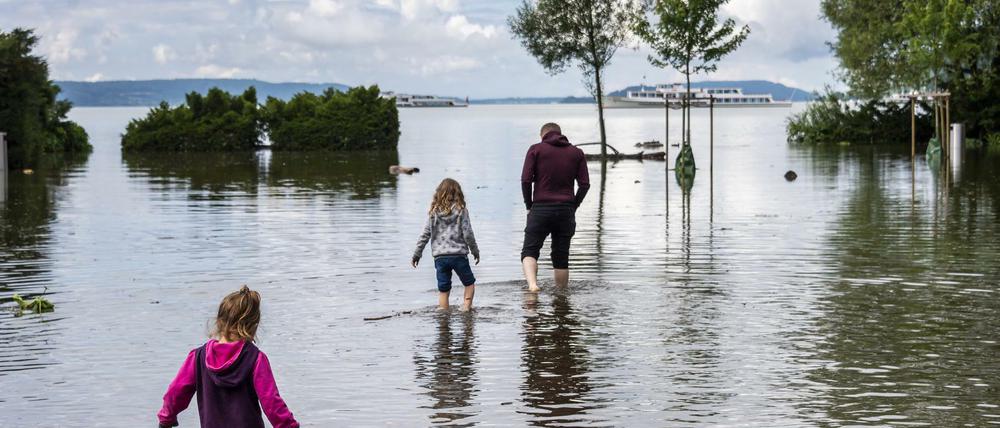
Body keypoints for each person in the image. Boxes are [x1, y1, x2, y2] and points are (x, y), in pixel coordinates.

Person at [157, 285, 298, 428]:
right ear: (253, 326)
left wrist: (166, 418)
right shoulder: (256, 359)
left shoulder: (198, 357)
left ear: (219, 321)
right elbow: (272, 403)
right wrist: (289, 425)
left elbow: (175, 393)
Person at [520, 123, 590, 292]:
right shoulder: (576, 153)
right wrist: (573, 205)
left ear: (542, 135)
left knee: (529, 251)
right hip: (566, 210)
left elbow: (526, 180)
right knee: (561, 257)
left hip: (540, 209)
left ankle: (533, 285)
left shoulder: (536, 149)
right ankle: (561, 296)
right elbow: (585, 185)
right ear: (560, 134)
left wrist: (529, 206)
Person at [412, 178, 481, 311]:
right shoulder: (461, 210)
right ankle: (466, 307)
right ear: (458, 193)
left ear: (439, 194)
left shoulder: (434, 213)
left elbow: (424, 235)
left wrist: (417, 254)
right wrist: (475, 251)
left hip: (440, 258)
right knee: (469, 283)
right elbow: (468, 234)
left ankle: (443, 311)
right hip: (459, 256)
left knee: (443, 289)